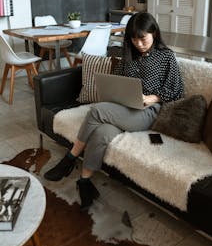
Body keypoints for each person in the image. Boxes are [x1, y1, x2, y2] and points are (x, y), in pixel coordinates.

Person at [44, 12, 184, 211]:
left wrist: (152, 98)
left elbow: (177, 90)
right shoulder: (128, 55)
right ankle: (84, 182)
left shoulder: (166, 56)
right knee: (101, 133)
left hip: (147, 112)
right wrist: (113, 91)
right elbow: (117, 79)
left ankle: (69, 159)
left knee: (96, 111)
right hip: (124, 107)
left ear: (153, 32)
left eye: (143, 38)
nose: (139, 44)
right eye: (134, 39)